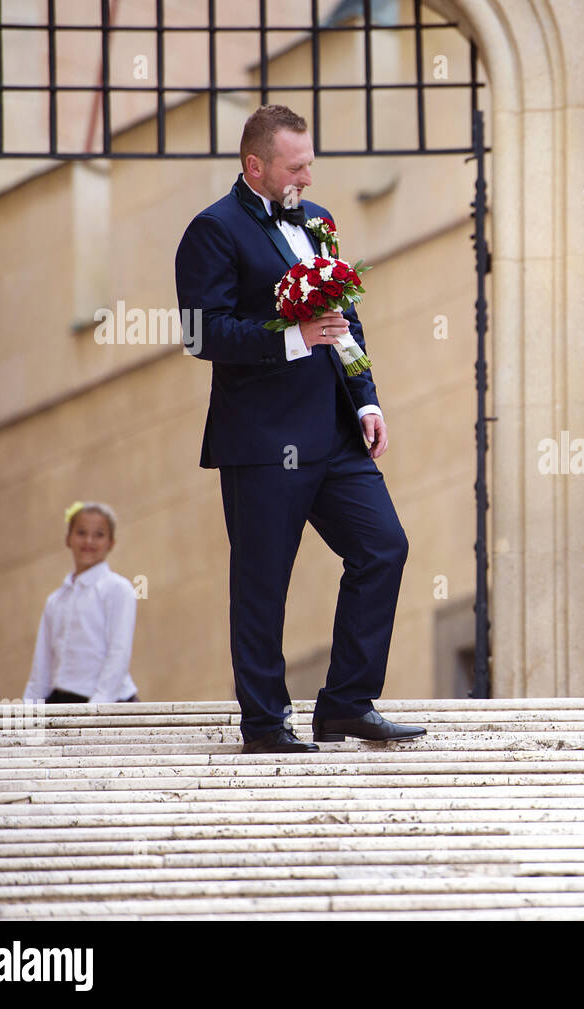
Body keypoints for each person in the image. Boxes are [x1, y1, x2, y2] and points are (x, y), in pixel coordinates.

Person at [175, 104, 424, 754]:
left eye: (310, 162)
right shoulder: (213, 231)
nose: (307, 176)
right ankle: (263, 722)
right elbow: (204, 333)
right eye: (295, 166)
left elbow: (346, 317)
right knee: (262, 579)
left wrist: (366, 398)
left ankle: (346, 703)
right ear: (254, 165)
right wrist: (292, 338)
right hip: (260, 439)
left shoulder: (320, 222)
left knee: (383, 547)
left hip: (335, 431)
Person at [24, 501, 141, 704]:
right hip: (63, 698)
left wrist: (96, 708)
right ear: (68, 539)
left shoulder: (117, 589)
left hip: (108, 701)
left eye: (99, 534)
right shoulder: (56, 600)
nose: (89, 541)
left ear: (111, 542)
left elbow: (119, 653)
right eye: (81, 532)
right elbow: (42, 663)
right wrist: (30, 706)